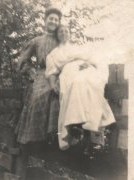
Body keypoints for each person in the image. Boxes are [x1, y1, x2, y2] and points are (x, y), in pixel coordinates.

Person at [45, 25, 116, 151]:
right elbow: (51, 72)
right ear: (57, 35)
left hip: (86, 68)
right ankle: (75, 123)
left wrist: (88, 63)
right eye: (61, 31)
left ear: (69, 34)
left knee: (92, 85)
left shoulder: (78, 47)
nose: (64, 33)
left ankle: (92, 132)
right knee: (76, 83)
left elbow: (94, 59)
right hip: (69, 72)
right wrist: (52, 84)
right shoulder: (53, 54)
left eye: (66, 31)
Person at [15, 7, 62, 179]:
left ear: (59, 23)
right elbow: (22, 61)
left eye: (56, 20)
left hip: (60, 75)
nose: (53, 22)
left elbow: (72, 55)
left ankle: (58, 136)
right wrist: (31, 73)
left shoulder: (61, 40)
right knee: (39, 98)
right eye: (51, 18)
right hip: (42, 75)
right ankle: (35, 141)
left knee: (62, 94)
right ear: (45, 20)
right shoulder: (37, 40)